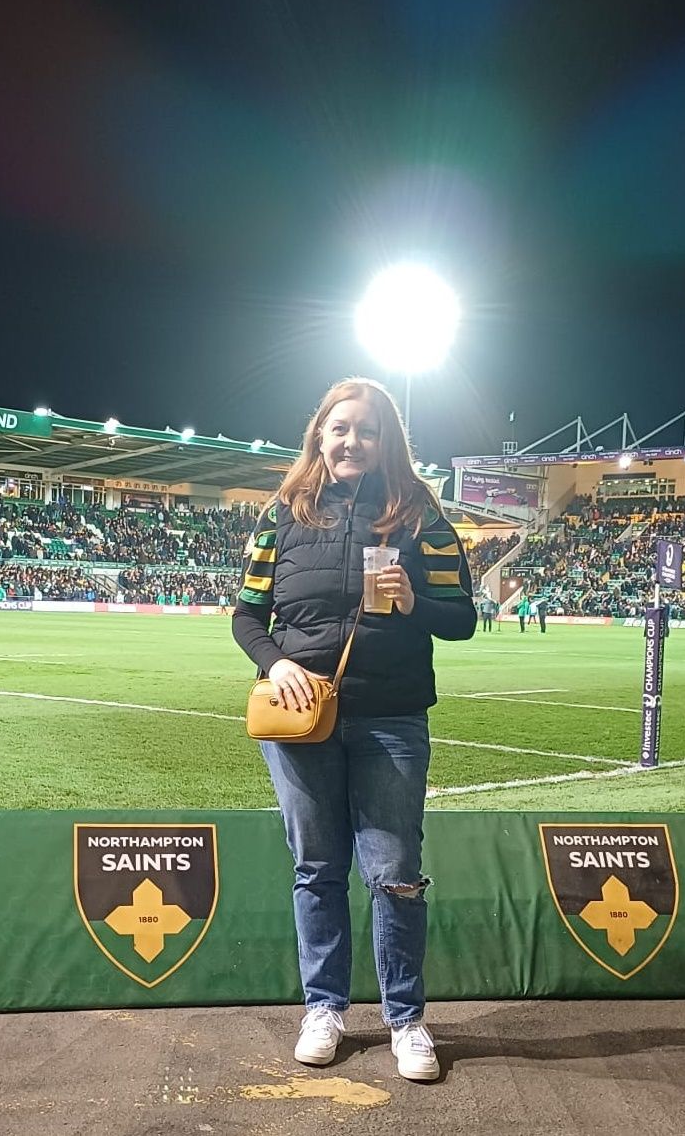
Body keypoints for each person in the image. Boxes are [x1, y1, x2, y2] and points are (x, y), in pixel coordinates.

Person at [232, 378, 476, 1082]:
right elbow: (247, 615)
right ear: (319, 436)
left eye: (366, 430)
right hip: (299, 716)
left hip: (391, 715)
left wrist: (415, 601)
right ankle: (324, 1008)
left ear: (385, 441)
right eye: (339, 429)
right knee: (317, 868)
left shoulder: (419, 514)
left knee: (396, 873)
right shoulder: (284, 512)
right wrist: (274, 664)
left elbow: (460, 617)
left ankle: (406, 1020)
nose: (351, 441)